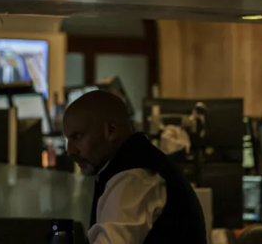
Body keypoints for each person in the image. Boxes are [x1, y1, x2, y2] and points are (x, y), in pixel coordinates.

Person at [63, 90, 207, 244]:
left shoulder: (134, 177)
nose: (70, 151)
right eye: (67, 140)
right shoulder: (130, 166)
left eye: (77, 137)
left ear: (110, 131)